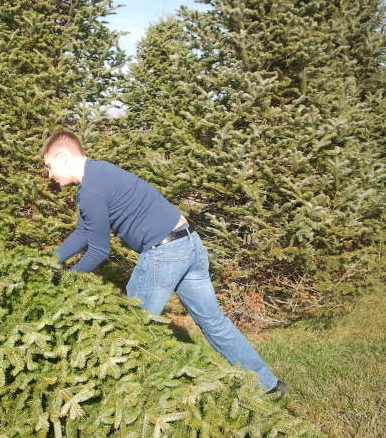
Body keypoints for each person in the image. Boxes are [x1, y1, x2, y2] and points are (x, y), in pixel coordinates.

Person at [41, 130, 287, 398]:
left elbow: (99, 250)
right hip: (190, 243)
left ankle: (132, 399)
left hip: (165, 252)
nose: (49, 175)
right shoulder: (100, 172)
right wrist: (50, 261)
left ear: (63, 156)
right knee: (214, 321)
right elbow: (84, 232)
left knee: (130, 325)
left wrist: (65, 281)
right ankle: (270, 386)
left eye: (49, 165)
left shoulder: (91, 189)